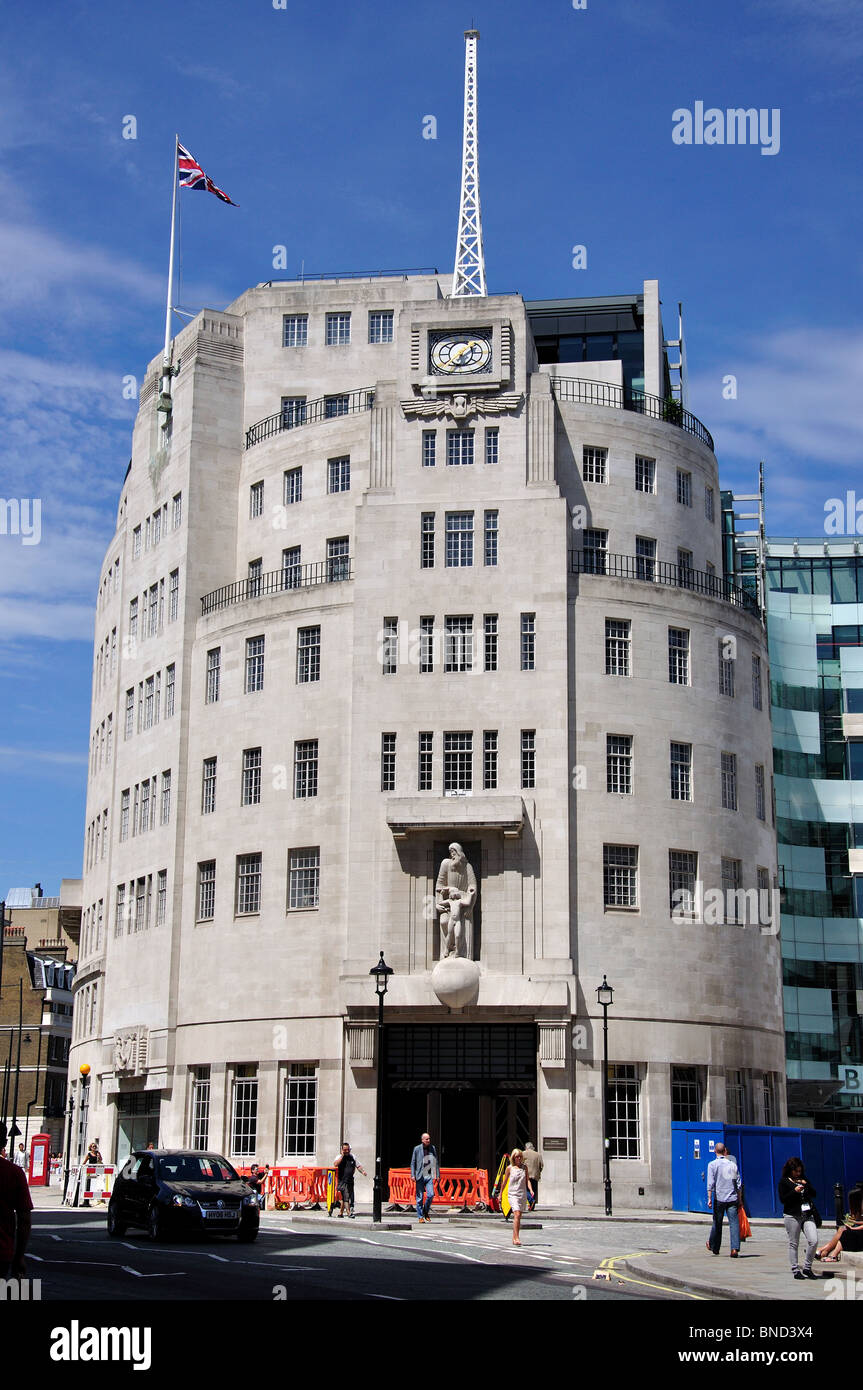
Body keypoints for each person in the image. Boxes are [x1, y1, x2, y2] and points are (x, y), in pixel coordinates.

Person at [778, 1156, 820, 1280]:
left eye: (800, 1171)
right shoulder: (784, 1181)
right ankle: (795, 1269)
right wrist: (794, 1191)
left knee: (814, 1240)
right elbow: (783, 1199)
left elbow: (814, 1193)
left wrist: (806, 1185)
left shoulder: (803, 1179)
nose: (798, 1173)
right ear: (790, 1170)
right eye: (796, 1171)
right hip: (792, 1214)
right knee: (794, 1243)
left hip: (807, 1214)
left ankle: (807, 1267)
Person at [0, 1121, 32, 1279]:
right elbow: (25, 1220)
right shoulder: (15, 1173)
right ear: (4, 1143)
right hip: (1, 1251)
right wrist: (19, 1256)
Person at [706, 1142, 741, 1257]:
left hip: (719, 1197)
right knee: (734, 1223)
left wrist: (709, 1198)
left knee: (717, 1222)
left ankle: (715, 1247)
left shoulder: (712, 1165)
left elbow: (710, 1183)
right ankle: (734, 1248)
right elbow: (738, 1184)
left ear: (715, 1151)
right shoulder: (732, 1165)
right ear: (725, 1150)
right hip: (732, 1198)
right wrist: (740, 1199)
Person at [816, 1186, 863, 1262]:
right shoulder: (857, 1208)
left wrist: (854, 1226)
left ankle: (828, 1252)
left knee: (845, 1232)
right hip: (858, 1231)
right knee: (842, 1229)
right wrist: (852, 1222)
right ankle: (825, 1251)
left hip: (860, 1235)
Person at [506, 1149, 533, 1246]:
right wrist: (500, 1194)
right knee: (517, 1214)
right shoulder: (510, 1168)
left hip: (522, 1194)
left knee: (518, 1216)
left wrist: (531, 1190)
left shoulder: (524, 1168)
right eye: (517, 1156)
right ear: (513, 1158)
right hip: (513, 1194)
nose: (519, 1158)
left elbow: (527, 1180)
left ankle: (514, 1237)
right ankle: (517, 1238)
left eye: (520, 1156)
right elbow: (504, 1182)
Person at [411, 1132, 439, 1223]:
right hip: (419, 1175)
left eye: (429, 1139)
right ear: (422, 1140)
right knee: (419, 1198)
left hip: (429, 1175)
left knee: (431, 1195)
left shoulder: (432, 1148)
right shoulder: (417, 1149)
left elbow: (436, 1162)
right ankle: (420, 1217)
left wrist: (437, 1174)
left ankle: (425, 1211)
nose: (428, 1140)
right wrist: (412, 1175)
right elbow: (413, 1162)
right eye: (426, 1139)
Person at [333, 1143, 365, 1218]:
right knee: (346, 1196)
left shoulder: (352, 1157)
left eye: (348, 1150)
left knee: (345, 1197)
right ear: (342, 1150)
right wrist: (342, 1155)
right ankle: (349, 1213)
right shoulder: (339, 1157)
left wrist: (363, 1171)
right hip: (342, 1180)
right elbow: (335, 1164)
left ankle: (341, 1213)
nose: (347, 1151)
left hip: (350, 1180)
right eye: (345, 1150)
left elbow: (358, 1166)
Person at [523, 1142, 543, 1210]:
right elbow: (541, 1165)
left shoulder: (523, 1153)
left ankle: (531, 1201)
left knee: (525, 1189)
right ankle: (532, 1205)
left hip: (526, 1174)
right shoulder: (538, 1155)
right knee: (533, 1189)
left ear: (526, 1147)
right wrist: (538, 1171)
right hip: (535, 1175)